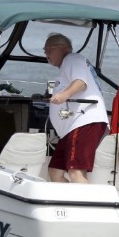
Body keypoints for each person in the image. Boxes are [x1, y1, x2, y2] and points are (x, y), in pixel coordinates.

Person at [43, 33, 109, 183]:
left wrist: (64, 94)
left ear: (62, 48)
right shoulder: (67, 65)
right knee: (55, 172)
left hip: (83, 122)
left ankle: (88, 205)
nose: (45, 53)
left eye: (48, 48)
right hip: (71, 129)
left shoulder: (72, 59)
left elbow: (80, 82)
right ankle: (66, 202)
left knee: (76, 172)